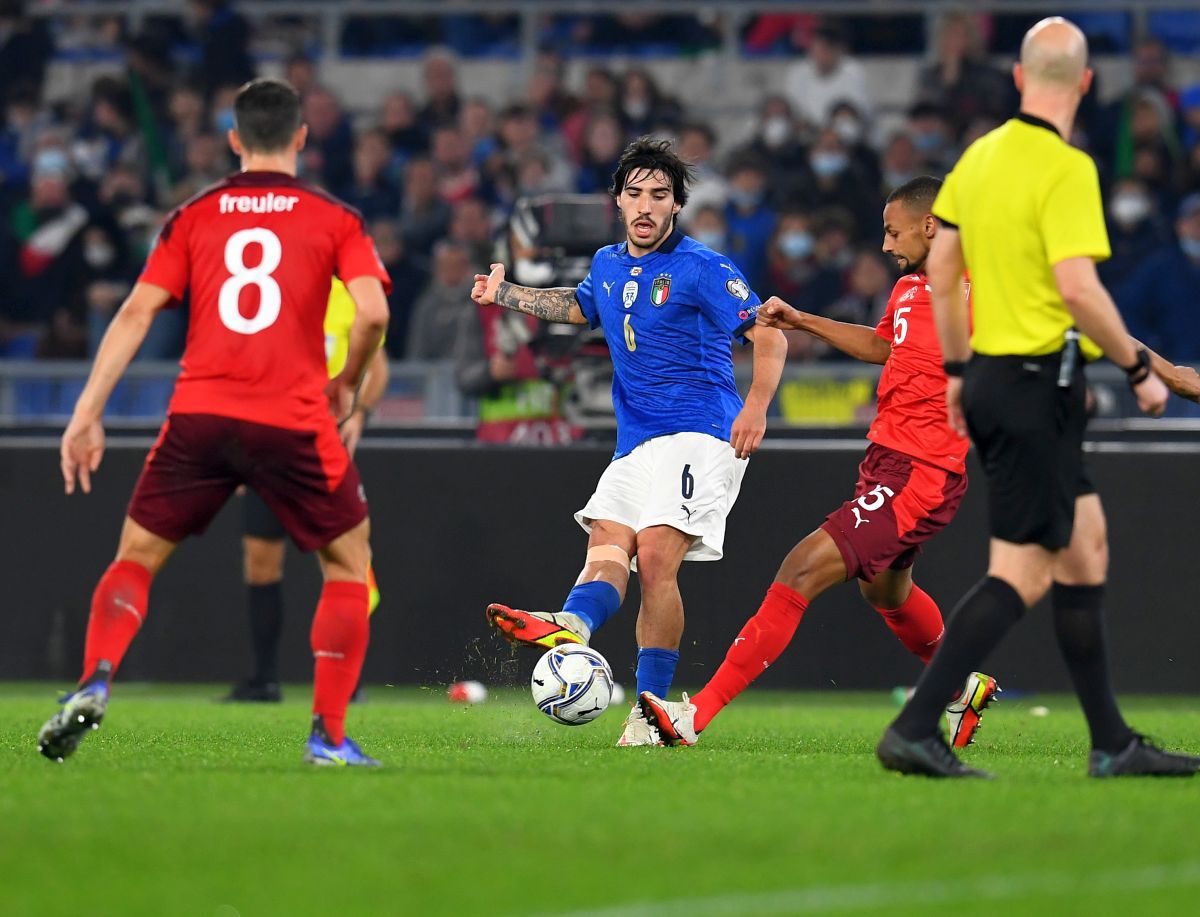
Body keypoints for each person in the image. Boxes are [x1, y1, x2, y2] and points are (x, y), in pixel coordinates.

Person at [877, 18, 1200, 779]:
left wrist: (957, 374)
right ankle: (916, 726)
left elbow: (945, 271)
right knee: (1022, 571)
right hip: (1037, 384)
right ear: (1085, 84)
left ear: (1020, 79)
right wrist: (1138, 368)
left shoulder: (977, 161)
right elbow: (1079, 289)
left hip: (993, 378)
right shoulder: (1066, 167)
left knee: (1085, 549)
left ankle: (1113, 742)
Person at [38, 78, 391, 767]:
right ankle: (327, 735)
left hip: (199, 413)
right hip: (291, 416)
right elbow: (374, 312)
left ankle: (94, 679)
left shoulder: (193, 214)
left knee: (134, 558)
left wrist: (87, 411)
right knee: (349, 562)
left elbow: (136, 312)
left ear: (234, 140)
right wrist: (346, 381)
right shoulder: (335, 218)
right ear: (300, 137)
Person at [638, 177, 998, 749]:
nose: (884, 244)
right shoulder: (909, 289)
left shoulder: (980, 290)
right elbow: (884, 346)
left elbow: (1050, 331)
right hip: (887, 463)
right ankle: (961, 687)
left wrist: (1150, 369)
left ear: (931, 226)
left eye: (892, 230)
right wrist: (803, 320)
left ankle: (691, 718)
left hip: (922, 470)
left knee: (800, 568)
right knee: (885, 594)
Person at [473, 137, 787, 746]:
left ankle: (650, 710)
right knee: (607, 543)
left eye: (660, 195)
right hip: (636, 438)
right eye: (636, 193)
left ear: (676, 206)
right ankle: (571, 624)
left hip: (702, 431)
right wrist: (505, 294)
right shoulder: (607, 264)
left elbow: (769, 334)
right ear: (618, 200)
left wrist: (757, 406)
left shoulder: (703, 267)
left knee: (658, 556)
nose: (646, 205)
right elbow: (578, 307)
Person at [226, 277, 389, 703]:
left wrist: (359, 414)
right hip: (269, 448)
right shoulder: (269, 296)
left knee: (345, 562)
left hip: (323, 448)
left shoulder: (349, 297)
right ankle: (265, 679)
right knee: (260, 563)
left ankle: (347, 679)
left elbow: (379, 365)